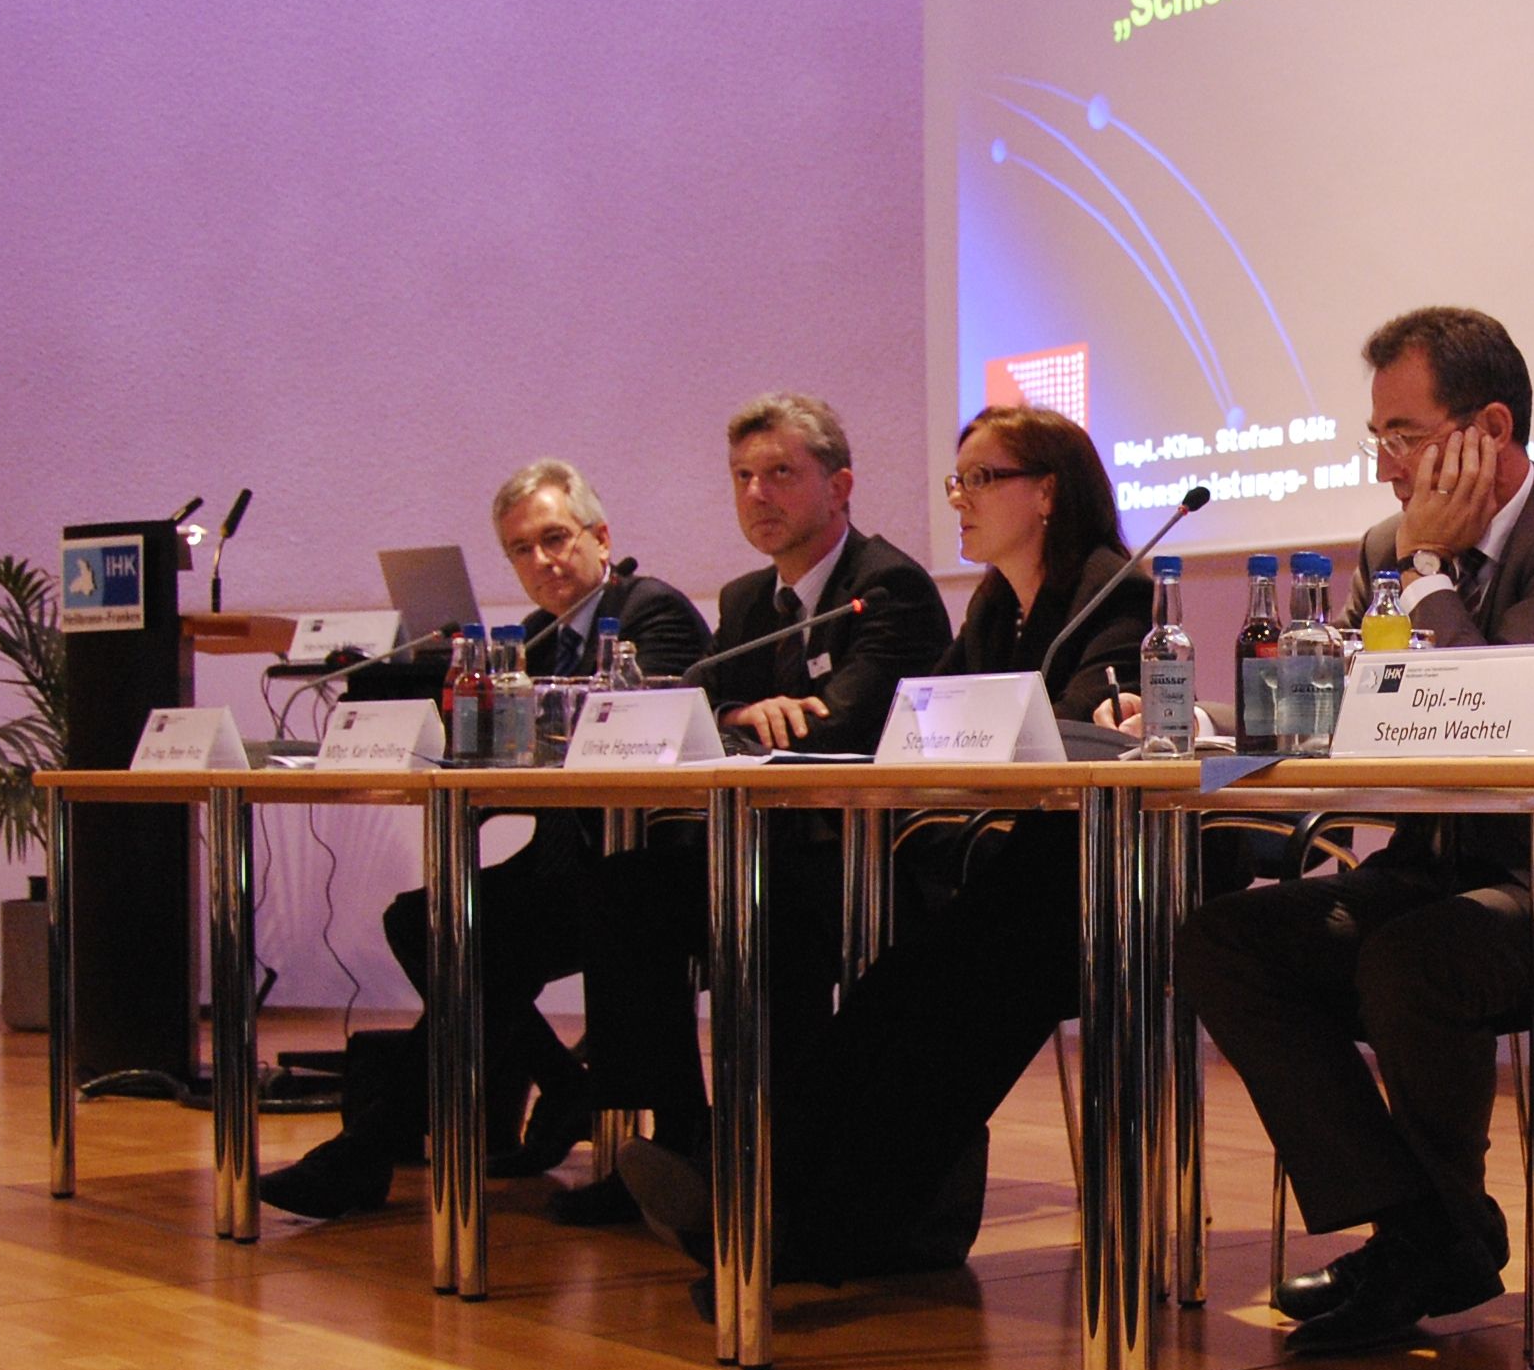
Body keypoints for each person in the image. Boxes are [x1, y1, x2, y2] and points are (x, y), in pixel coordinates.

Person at [1177, 307, 1534, 1355]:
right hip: (1427, 869)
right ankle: (1425, 1228)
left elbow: (1496, 723)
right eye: (1378, 438)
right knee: (1227, 936)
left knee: (1415, 957)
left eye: (1404, 435)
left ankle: (1422, 1242)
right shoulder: (1381, 548)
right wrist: (1200, 728)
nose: (1387, 467)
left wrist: (1429, 569)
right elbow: (1356, 709)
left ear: (1489, 428)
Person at [616, 406, 1148, 1287]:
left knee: (938, 1007)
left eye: (982, 479)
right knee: (889, 1000)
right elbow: (918, 722)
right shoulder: (996, 605)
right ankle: (766, 1203)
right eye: (957, 480)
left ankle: (791, 1224)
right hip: (1008, 880)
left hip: (1091, 888)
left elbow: (1074, 735)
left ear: (1047, 493)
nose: (960, 498)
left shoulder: (1111, 591)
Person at [259, 458, 708, 1219]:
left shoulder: (650, 611)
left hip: (640, 868)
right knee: (427, 920)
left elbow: (632, 732)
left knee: (480, 954)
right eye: (521, 550)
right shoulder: (530, 639)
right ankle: (559, 1086)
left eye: (555, 538)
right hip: (564, 868)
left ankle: (368, 1150)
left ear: (601, 537)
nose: (542, 561)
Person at [559, 391, 952, 1225]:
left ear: (840, 486)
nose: (756, 494)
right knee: (622, 890)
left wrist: (736, 719)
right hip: (768, 852)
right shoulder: (745, 600)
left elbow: (837, 726)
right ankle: (678, 1142)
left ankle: (779, 1170)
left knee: (763, 921)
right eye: (742, 476)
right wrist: (742, 713)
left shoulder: (888, 587)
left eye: (780, 473)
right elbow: (695, 704)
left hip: (869, 863)